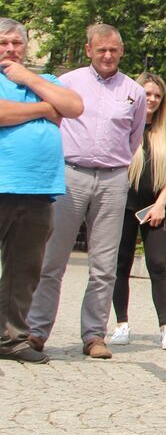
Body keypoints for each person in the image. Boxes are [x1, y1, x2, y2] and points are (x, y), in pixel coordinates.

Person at [27, 23, 147, 359]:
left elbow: (134, 138)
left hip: (112, 179)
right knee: (52, 259)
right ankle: (36, 332)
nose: (107, 56)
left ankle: (94, 335)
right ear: (88, 50)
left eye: (114, 50)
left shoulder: (134, 92)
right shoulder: (67, 83)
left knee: (105, 264)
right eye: (101, 49)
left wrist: (116, 165)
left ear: (122, 51)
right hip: (70, 174)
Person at [0, 18, 84, 364]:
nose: (10, 49)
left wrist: (29, 79)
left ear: (26, 46)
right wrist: (45, 110)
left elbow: (74, 107)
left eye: (16, 43)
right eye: (3, 43)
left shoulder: (44, 80)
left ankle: (11, 339)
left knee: (25, 269)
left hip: (39, 190)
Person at [110, 73, 166, 351]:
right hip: (123, 204)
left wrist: (161, 204)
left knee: (157, 265)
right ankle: (121, 324)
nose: (152, 99)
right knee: (120, 265)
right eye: (147, 94)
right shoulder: (124, 126)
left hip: (155, 208)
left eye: (157, 95)